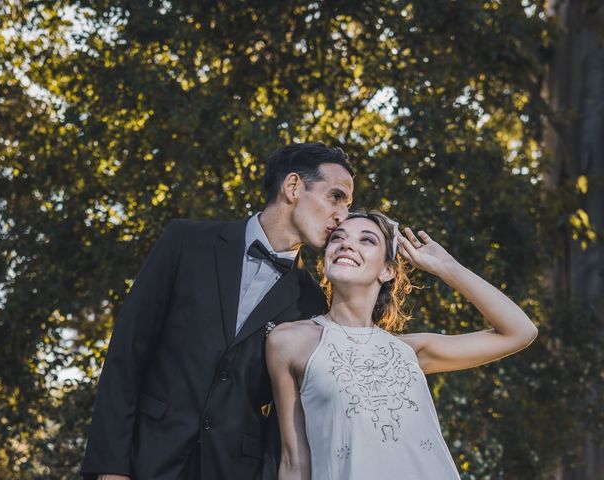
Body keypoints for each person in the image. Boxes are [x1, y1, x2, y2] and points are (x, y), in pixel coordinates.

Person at [80, 142, 354, 480]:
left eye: (347, 205)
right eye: (336, 197)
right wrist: (111, 467)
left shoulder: (312, 305)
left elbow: (285, 425)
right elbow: (127, 355)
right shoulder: (186, 242)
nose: (342, 215)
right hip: (145, 459)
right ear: (293, 186)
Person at [266, 210, 538, 480]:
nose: (346, 244)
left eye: (367, 240)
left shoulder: (410, 351)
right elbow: (294, 461)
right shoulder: (289, 342)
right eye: (338, 237)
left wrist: (446, 266)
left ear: (387, 271)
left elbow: (520, 332)